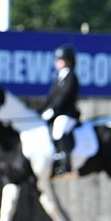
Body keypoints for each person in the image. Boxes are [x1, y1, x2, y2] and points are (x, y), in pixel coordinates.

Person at [39, 44, 82, 174]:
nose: (57, 62)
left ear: (68, 61)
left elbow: (64, 97)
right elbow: (50, 98)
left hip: (67, 114)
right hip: (57, 112)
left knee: (59, 129)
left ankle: (65, 161)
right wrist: (39, 111)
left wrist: (53, 110)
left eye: (60, 60)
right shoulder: (59, 77)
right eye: (57, 60)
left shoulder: (71, 77)